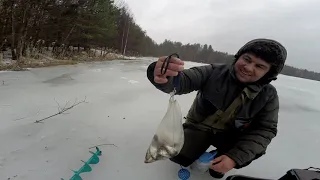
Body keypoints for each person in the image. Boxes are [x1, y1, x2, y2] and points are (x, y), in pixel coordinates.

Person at [146, 38, 287, 178]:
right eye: (247, 59)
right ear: (239, 57)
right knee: (179, 157)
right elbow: (183, 81)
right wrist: (164, 75)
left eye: (259, 66)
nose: (249, 68)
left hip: (231, 136)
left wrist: (234, 158)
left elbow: (265, 130)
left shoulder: (269, 96)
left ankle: (220, 160)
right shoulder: (213, 71)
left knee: (225, 166)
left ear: (269, 73)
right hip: (200, 128)